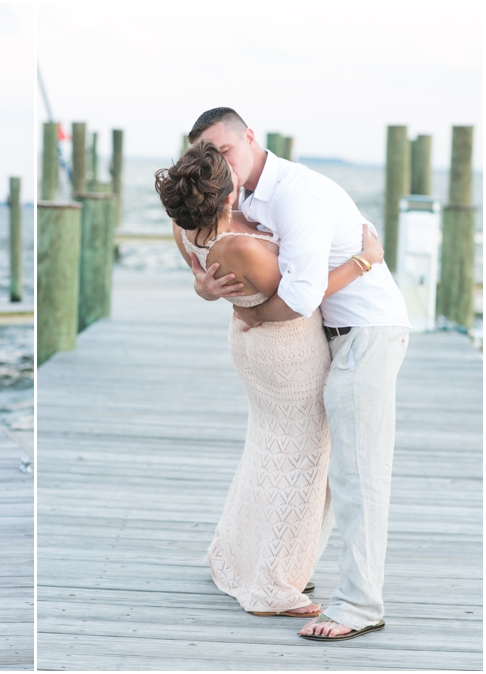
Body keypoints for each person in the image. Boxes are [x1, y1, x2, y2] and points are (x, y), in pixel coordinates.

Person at [186, 108, 410, 642]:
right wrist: (205, 286)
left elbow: (299, 297)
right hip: (331, 334)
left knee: (358, 474)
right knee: (334, 465)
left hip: (367, 331)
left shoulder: (295, 195)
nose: (221, 163)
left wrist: (250, 316)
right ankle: (287, 568)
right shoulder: (241, 195)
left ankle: (359, 606)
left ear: (251, 138)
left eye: (226, 150)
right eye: (208, 155)